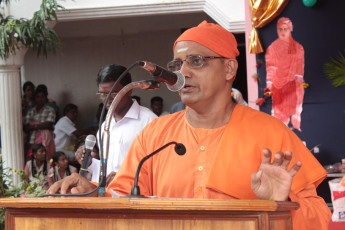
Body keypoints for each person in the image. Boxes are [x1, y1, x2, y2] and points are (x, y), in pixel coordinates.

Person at [48, 21, 331, 230]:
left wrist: (279, 208)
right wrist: (91, 191)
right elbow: (122, 201)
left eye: (197, 61)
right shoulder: (155, 135)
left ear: (229, 70)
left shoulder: (272, 133)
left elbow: (319, 216)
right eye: (177, 64)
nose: (181, 72)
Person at [76, 64, 157, 185]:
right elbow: (106, 169)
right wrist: (90, 162)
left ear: (129, 90)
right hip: (107, 198)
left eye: (113, 93)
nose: (107, 99)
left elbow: (158, 165)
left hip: (134, 198)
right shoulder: (104, 127)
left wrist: (125, 176)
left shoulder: (149, 121)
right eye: (103, 94)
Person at [265, 17, 305, 131]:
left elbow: (299, 65)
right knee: (278, 115)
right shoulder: (272, 48)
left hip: (291, 84)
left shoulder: (297, 47)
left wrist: (298, 77)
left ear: (290, 29)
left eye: (285, 29)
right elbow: (270, 67)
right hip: (277, 85)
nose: (283, 32)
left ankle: (291, 133)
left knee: (291, 111)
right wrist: (269, 82)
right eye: (280, 29)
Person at [23, 86, 56, 160]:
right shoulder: (31, 111)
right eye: (38, 97)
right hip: (32, 139)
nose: (40, 99)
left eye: (42, 96)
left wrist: (33, 126)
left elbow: (49, 124)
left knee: (46, 160)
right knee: (33, 160)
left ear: (46, 98)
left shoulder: (50, 110)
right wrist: (41, 125)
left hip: (46, 141)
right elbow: (26, 127)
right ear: (35, 98)